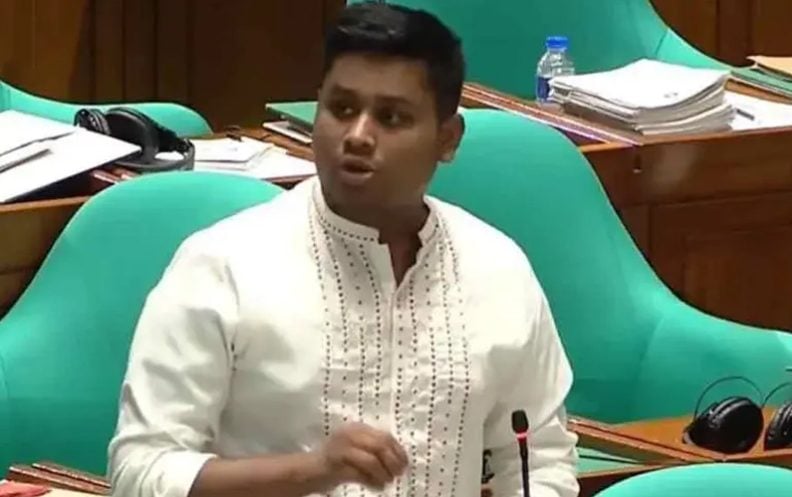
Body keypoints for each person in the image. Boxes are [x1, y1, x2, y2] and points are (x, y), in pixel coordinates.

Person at [107, 3, 579, 497]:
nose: (357, 136)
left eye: (391, 117)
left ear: (447, 138)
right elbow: (140, 472)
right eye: (342, 109)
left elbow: (541, 461)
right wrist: (312, 471)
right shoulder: (223, 265)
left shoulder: (497, 270)